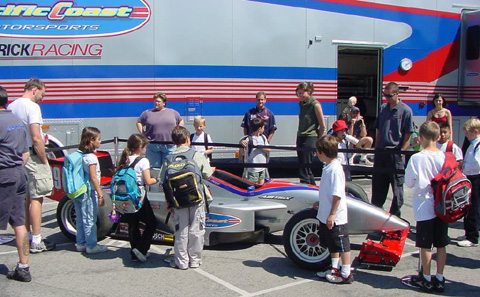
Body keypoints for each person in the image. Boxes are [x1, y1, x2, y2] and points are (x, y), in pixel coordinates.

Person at [7, 78, 55, 253]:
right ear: (34, 89)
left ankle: (25, 237)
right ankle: (36, 240)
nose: (43, 98)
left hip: (17, 156)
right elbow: (36, 138)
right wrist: (44, 159)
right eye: (43, 93)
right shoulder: (32, 107)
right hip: (32, 156)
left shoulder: (12, 106)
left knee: (25, 198)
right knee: (37, 198)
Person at [160, 126, 213, 270]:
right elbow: (207, 174)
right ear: (188, 139)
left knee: (181, 230)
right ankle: (195, 260)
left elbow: (163, 181)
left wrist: (168, 201)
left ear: (173, 141)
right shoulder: (196, 155)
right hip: (196, 198)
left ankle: (181, 262)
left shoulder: (168, 159)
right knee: (196, 229)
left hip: (178, 201)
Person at [405, 121, 447, 293]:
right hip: (443, 205)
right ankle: (440, 277)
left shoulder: (417, 158)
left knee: (425, 245)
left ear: (420, 137)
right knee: (441, 244)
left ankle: (427, 278)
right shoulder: (446, 156)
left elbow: (409, 182)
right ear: (438, 137)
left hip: (424, 204)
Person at [0, 87, 31, 282]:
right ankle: (23, 267)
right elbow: (25, 154)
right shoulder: (17, 122)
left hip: (3, 175)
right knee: (19, 223)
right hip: (19, 173)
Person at [314, 135, 353, 284]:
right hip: (326, 213)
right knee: (332, 243)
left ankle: (346, 273)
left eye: (317, 151)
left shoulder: (335, 169)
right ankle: (334, 267)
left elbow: (337, 194)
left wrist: (332, 214)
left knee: (341, 243)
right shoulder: (327, 167)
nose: (316, 154)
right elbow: (328, 191)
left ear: (323, 152)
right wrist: (321, 203)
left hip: (336, 217)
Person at [371, 82, 413, 217]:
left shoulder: (405, 110)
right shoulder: (383, 109)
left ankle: (395, 217)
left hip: (395, 152)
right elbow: (378, 129)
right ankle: (377, 215)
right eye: (385, 95)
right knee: (378, 186)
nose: (387, 98)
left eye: (389, 96)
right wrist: (377, 147)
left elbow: (408, 133)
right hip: (381, 152)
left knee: (397, 187)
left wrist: (402, 151)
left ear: (397, 94)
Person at [117, 134, 158, 261]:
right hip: (139, 195)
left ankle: (135, 249)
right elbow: (148, 181)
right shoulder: (143, 161)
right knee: (151, 223)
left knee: (133, 223)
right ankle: (141, 249)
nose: (146, 149)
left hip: (126, 196)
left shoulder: (125, 159)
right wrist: (158, 178)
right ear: (140, 147)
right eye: (145, 146)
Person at [75, 127, 108, 254]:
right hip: (88, 192)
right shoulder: (91, 158)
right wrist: (100, 194)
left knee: (80, 217)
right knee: (90, 218)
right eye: (98, 139)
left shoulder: (80, 154)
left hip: (79, 190)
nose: (100, 141)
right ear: (91, 140)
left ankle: (81, 242)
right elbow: (94, 177)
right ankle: (91, 245)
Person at [136, 92, 184, 168]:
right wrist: (143, 134)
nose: (156, 103)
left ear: (164, 102)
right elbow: (139, 122)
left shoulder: (172, 112)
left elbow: (181, 121)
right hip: (153, 145)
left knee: (170, 167)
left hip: (170, 145)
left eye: (158, 101)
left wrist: (177, 133)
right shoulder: (147, 113)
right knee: (154, 168)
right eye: (155, 101)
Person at [296, 82, 326, 185]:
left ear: (308, 92)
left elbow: (322, 125)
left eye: (301, 93)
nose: (300, 96)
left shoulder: (315, 104)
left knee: (305, 166)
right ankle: (313, 187)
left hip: (310, 137)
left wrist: (318, 139)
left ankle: (305, 186)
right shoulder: (301, 104)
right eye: (298, 94)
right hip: (301, 135)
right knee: (303, 166)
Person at [457, 118, 480, 247]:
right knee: (469, 206)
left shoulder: (478, 145)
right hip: (471, 177)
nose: (466, 136)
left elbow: (477, 164)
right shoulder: (473, 145)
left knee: (473, 207)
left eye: (468, 133)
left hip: (475, 178)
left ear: (475, 131)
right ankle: (469, 232)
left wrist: (465, 167)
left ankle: (472, 236)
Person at [240, 118, 270, 185]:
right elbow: (242, 153)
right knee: (253, 184)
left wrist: (260, 147)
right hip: (253, 168)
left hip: (262, 167)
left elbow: (268, 149)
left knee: (261, 184)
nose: (264, 129)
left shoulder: (263, 137)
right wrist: (241, 144)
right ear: (260, 128)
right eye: (263, 127)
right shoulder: (249, 139)